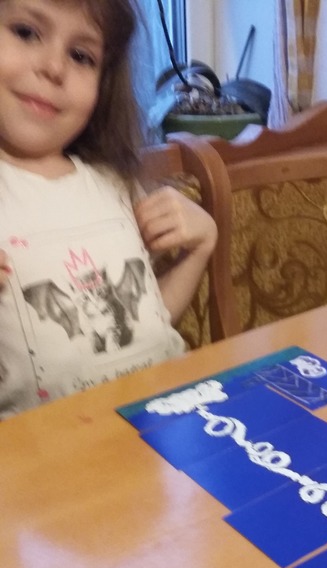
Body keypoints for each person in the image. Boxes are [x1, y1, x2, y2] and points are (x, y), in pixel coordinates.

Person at [0, 0, 217, 419]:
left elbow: (143, 326)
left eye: (81, 56)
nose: (54, 68)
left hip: (163, 427)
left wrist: (200, 246)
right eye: (26, 32)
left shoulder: (115, 185)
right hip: (48, 453)